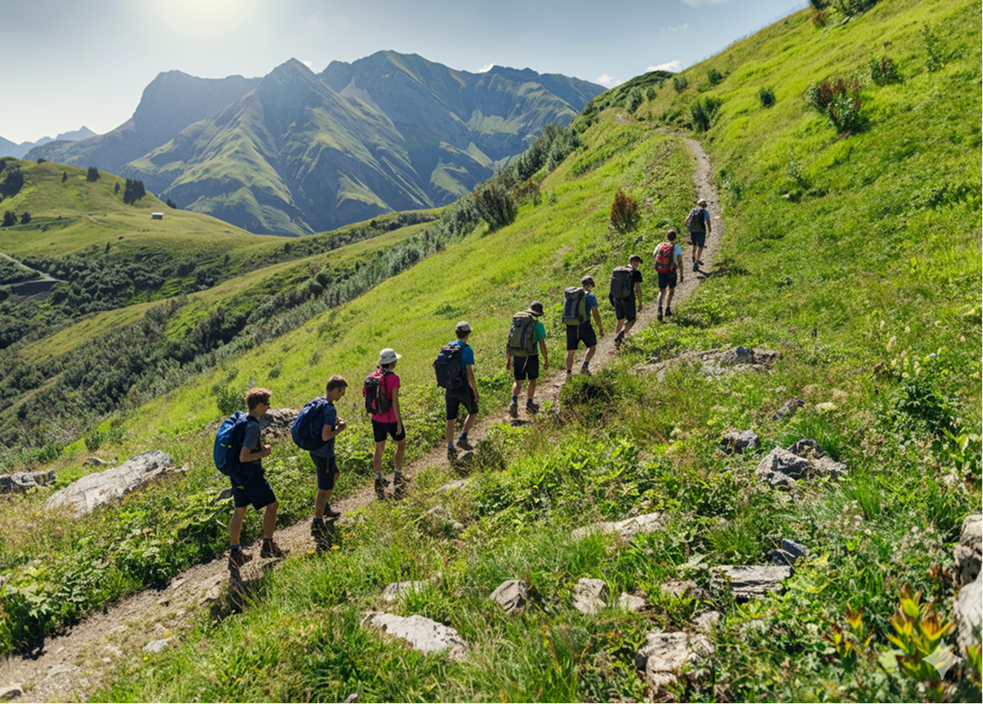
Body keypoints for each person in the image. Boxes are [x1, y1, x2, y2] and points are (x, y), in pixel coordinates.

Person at [229, 387, 284, 567]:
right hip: (250, 474)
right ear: (260, 405)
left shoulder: (242, 419)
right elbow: (244, 456)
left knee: (240, 509)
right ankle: (267, 545)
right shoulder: (253, 426)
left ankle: (235, 551)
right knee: (272, 504)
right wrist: (263, 453)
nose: (268, 407)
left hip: (237, 474)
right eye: (267, 404)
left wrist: (258, 450)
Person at [309, 375, 348, 544]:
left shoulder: (319, 402)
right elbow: (326, 436)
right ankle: (317, 521)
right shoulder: (329, 409)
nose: (342, 396)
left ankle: (324, 508)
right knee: (324, 487)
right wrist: (340, 428)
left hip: (316, 450)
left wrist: (333, 422)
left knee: (335, 474)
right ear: (334, 390)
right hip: (324, 451)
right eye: (341, 392)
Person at [367, 348, 406, 499]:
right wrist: (398, 423)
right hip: (390, 418)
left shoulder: (371, 377)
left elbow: (367, 397)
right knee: (401, 443)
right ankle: (398, 474)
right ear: (392, 362)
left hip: (376, 419)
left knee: (379, 447)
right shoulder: (393, 378)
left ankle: (378, 478)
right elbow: (395, 402)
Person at [507, 301, 548, 418]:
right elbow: (541, 343)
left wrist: (509, 359)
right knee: (532, 380)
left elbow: (509, 340)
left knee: (518, 381)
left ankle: (513, 401)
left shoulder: (517, 323)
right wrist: (546, 359)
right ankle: (529, 404)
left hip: (517, 354)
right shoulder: (538, 325)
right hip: (531, 355)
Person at [445, 322, 479, 461]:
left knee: (450, 419)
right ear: (468, 334)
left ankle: (450, 447)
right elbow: (470, 374)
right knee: (473, 411)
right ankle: (463, 437)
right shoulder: (466, 349)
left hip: (449, 387)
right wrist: (475, 391)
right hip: (463, 387)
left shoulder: (448, 347)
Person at [565, 276, 604, 376]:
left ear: (582, 284)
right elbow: (595, 313)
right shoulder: (590, 297)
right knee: (592, 346)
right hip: (584, 325)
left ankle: (569, 373)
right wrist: (600, 328)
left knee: (571, 351)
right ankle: (584, 367)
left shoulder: (573, 295)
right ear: (592, 285)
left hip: (571, 325)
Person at [610, 255, 644, 349]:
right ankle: (621, 334)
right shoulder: (635, 272)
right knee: (632, 319)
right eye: (637, 262)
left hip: (616, 298)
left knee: (620, 319)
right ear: (635, 262)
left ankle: (616, 343)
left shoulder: (618, 270)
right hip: (628, 298)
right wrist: (640, 303)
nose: (637, 265)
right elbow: (638, 288)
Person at [653, 230, 684, 321]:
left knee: (661, 290)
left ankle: (659, 308)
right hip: (671, 271)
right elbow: (680, 262)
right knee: (671, 290)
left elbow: (654, 254)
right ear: (675, 237)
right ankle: (667, 308)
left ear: (667, 236)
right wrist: (681, 274)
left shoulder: (660, 245)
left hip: (661, 270)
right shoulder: (676, 247)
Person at [685, 198, 711, 270]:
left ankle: (693, 256)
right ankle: (696, 261)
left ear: (698, 204)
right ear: (705, 205)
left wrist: (688, 226)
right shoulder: (705, 212)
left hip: (693, 230)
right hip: (701, 230)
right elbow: (708, 221)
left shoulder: (693, 210)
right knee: (701, 246)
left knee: (694, 244)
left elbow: (686, 220)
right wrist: (709, 229)